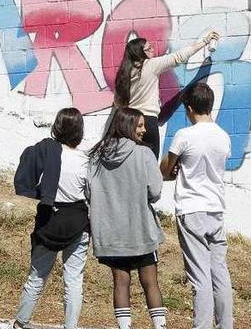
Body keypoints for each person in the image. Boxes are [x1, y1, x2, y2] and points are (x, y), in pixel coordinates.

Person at [161, 83, 233, 329]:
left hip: (191, 209)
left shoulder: (184, 135)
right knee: (219, 274)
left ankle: (201, 326)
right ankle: (226, 325)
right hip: (216, 208)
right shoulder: (223, 136)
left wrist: (175, 168)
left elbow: (166, 171)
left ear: (189, 108)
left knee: (199, 277)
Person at [10, 108, 90, 329]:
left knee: (37, 276)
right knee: (73, 280)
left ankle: (20, 323)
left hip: (50, 220)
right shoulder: (86, 161)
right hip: (78, 221)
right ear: (80, 131)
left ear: (57, 126)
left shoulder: (45, 152)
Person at [88, 107, 167, 329]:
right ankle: (159, 326)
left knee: (120, 282)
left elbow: (88, 191)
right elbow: (155, 192)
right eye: (140, 125)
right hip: (140, 228)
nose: (144, 130)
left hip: (111, 232)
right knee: (150, 282)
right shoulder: (144, 154)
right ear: (127, 125)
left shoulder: (97, 156)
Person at [113, 31, 219, 159]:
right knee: (150, 165)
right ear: (140, 52)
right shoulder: (150, 65)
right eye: (149, 48)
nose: (152, 50)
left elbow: (117, 103)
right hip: (147, 122)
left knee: (129, 164)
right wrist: (204, 42)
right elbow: (178, 57)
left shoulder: (123, 73)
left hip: (126, 123)